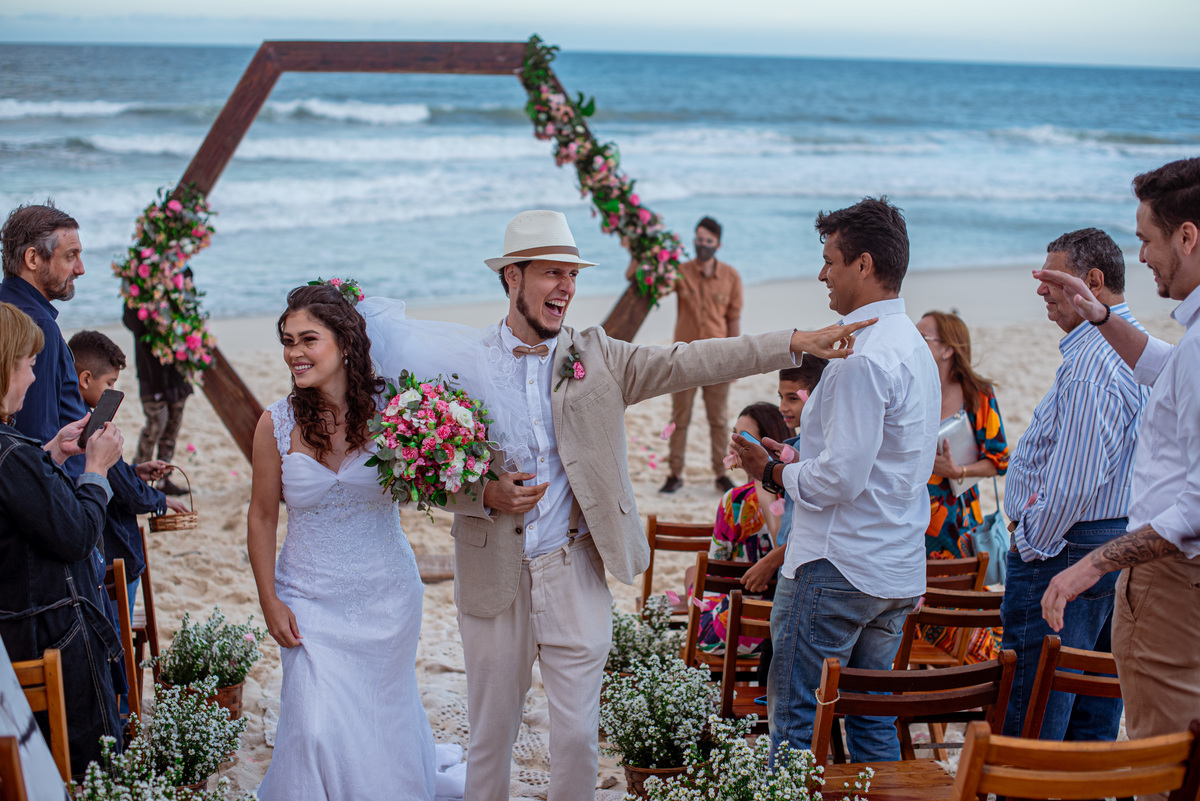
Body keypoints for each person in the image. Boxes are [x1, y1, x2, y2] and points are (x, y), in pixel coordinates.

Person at [365, 209, 871, 800]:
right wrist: (483, 494)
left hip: (574, 569)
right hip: (491, 574)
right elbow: (415, 465)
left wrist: (791, 343)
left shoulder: (599, 357)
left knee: (579, 737)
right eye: (552, 273)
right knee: (491, 738)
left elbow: (693, 358)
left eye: (572, 275)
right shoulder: (465, 365)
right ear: (512, 276)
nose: (566, 287)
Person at [732, 196, 940, 764]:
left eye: (829, 261)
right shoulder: (913, 346)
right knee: (872, 721)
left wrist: (771, 471)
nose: (822, 274)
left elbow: (842, 480)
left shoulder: (862, 356)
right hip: (895, 564)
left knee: (794, 725)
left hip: (838, 564)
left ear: (864, 265)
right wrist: (794, 458)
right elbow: (882, 461)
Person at [1041, 158, 1200, 798]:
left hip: (1173, 582)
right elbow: (1167, 370)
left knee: (1164, 768)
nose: (1143, 257)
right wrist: (1104, 319)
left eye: (1147, 239)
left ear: (1187, 236)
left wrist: (1095, 563)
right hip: (1173, 580)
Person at [247, 283, 441, 800]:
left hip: (387, 597)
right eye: (288, 341)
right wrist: (269, 599)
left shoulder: (394, 414)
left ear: (346, 343)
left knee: (381, 719)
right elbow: (262, 516)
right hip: (307, 596)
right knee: (313, 727)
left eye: (308, 339)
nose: (295, 352)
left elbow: (441, 482)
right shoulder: (275, 423)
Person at [999, 228, 1149, 742]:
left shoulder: (1094, 364)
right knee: (1091, 716)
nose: (1040, 288)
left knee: (1033, 719)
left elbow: (1074, 483)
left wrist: (1030, 541)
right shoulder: (1135, 350)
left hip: (1068, 549)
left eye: (1052, 278)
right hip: (1111, 541)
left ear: (1093, 282)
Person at [0, 301, 125, 779]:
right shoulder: (11, 455)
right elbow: (77, 535)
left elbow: (19, 509)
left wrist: (51, 453)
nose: (33, 378)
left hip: (24, 631)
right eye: (27, 365)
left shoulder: (15, 452)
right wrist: (96, 471)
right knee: (89, 769)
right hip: (49, 637)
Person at [67, 330, 187, 610]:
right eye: (109, 383)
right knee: (120, 625)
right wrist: (161, 499)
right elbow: (130, 495)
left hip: (101, 551)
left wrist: (134, 472)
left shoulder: (72, 418)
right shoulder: (91, 428)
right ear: (85, 379)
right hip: (115, 553)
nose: (112, 390)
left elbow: (114, 476)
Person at [915, 311, 1008, 663]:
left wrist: (958, 470)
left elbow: (999, 460)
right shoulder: (911, 390)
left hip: (956, 523)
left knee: (957, 601)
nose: (913, 343)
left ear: (947, 349)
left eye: (923, 338)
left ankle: (965, 669)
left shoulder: (977, 395)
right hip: (909, 517)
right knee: (914, 602)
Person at [646, 216, 744, 494]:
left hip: (718, 359)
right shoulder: (681, 272)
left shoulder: (731, 277)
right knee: (679, 419)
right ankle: (674, 474)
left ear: (718, 244)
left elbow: (733, 320)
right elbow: (657, 289)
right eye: (699, 239)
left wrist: (735, 362)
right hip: (683, 358)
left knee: (719, 421)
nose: (703, 245)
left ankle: (721, 475)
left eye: (708, 241)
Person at [688, 402, 790, 657]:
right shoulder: (798, 492)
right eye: (734, 433)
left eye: (743, 437)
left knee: (692, 574)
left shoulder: (735, 501)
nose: (733, 442)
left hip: (738, 627)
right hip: (784, 622)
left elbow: (717, 568)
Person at [0, 203, 89, 470]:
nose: (80, 269)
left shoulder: (6, 309)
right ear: (33, 259)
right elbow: (37, 438)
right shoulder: (38, 327)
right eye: (71, 256)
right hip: (60, 483)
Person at [124, 301, 193, 495]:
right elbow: (130, 321)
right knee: (155, 425)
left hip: (177, 373)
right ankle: (137, 478)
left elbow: (190, 319)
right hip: (152, 374)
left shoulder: (179, 295)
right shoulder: (138, 299)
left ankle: (163, 479)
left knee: (172, 428)